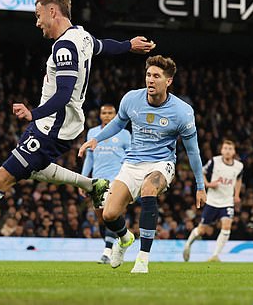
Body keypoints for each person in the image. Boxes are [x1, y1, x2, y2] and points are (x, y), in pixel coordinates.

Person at [0, 0, 156, 255]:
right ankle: (92, 186)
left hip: (50, 127)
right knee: (33, 169)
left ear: (52, 11)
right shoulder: (82, 36)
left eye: (38, 16)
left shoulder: (64, 46)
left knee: (2, 180)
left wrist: (32, 113)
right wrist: (129, 44)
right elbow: (105, 46)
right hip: (57, 125)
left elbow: (64, 93)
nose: (37, 23)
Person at [79, 55, 206, 274]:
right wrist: (96, 139)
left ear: (168, 81)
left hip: (161, 163)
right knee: (109, 214)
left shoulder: (182, 111)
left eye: (156, 76)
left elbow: (192, 150)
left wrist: (200, 185)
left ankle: (143, 258)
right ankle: (125, 238)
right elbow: (118, 122)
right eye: (148, 75)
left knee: (149, 189)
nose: (150, 80)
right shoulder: (131, 99)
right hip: (132, 163)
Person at [81, 104, 130, 264]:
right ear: (100, 115)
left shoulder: (124, 134)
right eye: (104, 113)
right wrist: (83, 179)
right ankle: (111, 247)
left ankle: (107, 252)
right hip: (98, 180)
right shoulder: (93, 133)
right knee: (102, 218)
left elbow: (130, 155)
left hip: (117, 180)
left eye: (110, 113)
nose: (107, 115)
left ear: (116, 115)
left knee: (111, 214)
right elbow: (89, 158)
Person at [183, 140, 243, 262]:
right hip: (212, 201)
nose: (227, 151)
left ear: (234, 152)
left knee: (227, 226)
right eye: (225, 148)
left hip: (227, 202)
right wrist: (208, 184)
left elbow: (238, 180)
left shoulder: (239, 166)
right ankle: (188, 244)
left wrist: (237, 195)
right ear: (221, 150)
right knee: (201, 230)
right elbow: (201, 171)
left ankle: (215, 255)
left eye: (230, 149)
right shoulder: (214, 161)